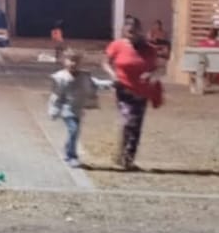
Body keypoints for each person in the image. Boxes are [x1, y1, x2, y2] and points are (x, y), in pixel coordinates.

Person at [105, 17, 160, 170]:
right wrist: (113, 75)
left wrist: (149, 73)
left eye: (134, 30)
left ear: (139, 31)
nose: (131, 33)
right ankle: (121, 153)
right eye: (128, 30)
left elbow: (154, 67)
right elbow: (105, 62)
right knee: (128, 120)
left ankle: (128, 158)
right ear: (124, 30)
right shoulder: (117, 45)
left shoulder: (148, 48)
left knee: (136, 125)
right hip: (123, 88)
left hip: (141, 90)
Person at [48, 49, 97, 167]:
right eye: (70, 60)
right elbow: (57, 95)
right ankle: (72, 156)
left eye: (76, 61)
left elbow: (95, 83)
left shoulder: (84, 76)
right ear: (64, 61)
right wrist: (54, 109)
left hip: (78, 110)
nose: (73, 64)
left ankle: (67, 149)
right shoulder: (61, 77)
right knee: (73, 130)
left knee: (74, 132)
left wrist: (111, 84)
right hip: (67, 109)